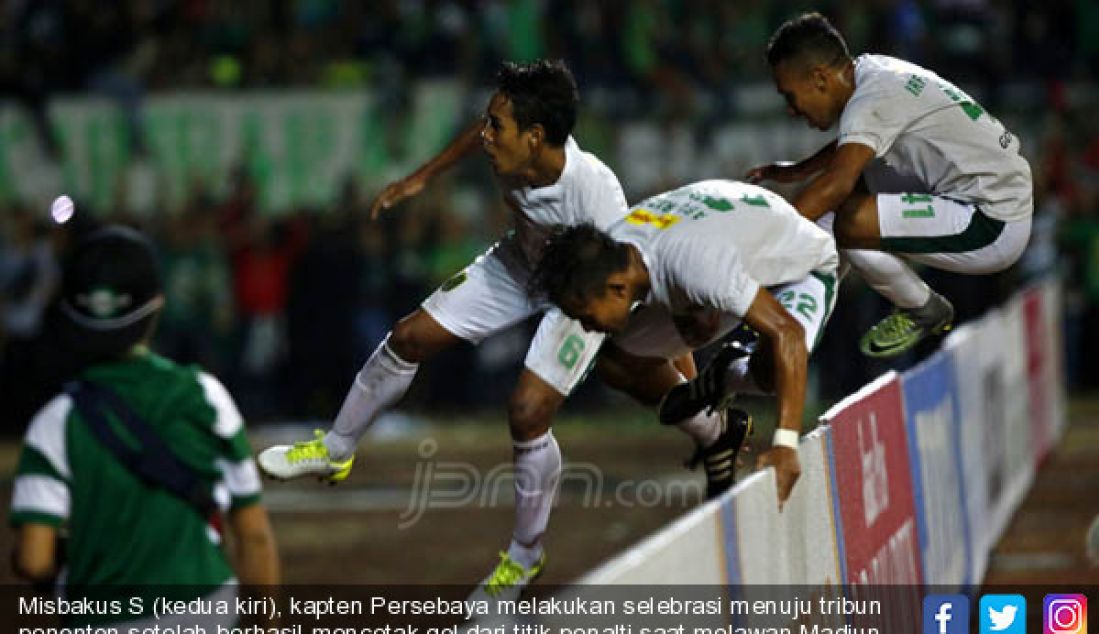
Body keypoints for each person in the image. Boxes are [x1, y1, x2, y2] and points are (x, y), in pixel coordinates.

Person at [256, 60, 710, 600]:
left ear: (535, 137)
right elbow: (474, 134)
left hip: (578, 288)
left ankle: (524, 558)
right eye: (489, 121)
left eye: (497, 126)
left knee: (527, 411)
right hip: (521, 264)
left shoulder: (599, 201)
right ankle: (336, 447)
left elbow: (638, 297)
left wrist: (685, 368)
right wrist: (421, 176)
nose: (486, 133)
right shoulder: (512, 142)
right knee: (409, 337)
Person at [9, 225, 280, 628]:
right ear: (157, 305)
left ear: (70, 310)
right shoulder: (204, 395)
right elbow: (254, 536)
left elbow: (33, 559)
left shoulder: (55, 422)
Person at [533, 179, 839, 505]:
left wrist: (785, 444)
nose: (586, 326)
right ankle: (718, 432)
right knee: (616, 362)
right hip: (731, 251)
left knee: (776, 374)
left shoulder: (696, 267)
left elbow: (788, 334)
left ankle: (727, 373)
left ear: (618, 289)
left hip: (798, 269)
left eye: (586, 315)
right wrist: (702, 411)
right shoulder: (619, 250)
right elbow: (677, 286)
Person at [747, 12, 1033, 358]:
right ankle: (789, 322)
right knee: (834, 212)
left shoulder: (871, 100)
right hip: (985, 189)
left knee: (847, 219)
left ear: (820, 78)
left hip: (993, 219)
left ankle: (922, 307)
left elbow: (837, 182)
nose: (791, 110)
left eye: (790, 96)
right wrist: (800, 170)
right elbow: (854, 144)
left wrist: (757, 245)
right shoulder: (872, 71)